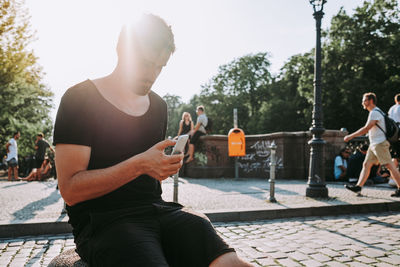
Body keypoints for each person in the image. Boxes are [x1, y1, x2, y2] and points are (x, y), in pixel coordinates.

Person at [54, 14, 251, 267]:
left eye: (160, 66)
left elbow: (148, 176)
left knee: (228, 259)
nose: (152, 74)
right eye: (145, 63)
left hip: (158, 210)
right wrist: (140, 164)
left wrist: (161, 167)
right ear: (121, 50)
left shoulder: (158, 105)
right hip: (105, 221)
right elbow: (70, 189)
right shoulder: (79, 99)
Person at [344, 92, 400, 197]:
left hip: (380, 144)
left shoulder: (375, 112)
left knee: (390, 166)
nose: (362, 103)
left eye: (364, 100)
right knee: (366, 165)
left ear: (370, 101)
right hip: (374, 144)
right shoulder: (375, 112)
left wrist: (350, 136)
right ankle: (358, 187)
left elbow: (366, 128)